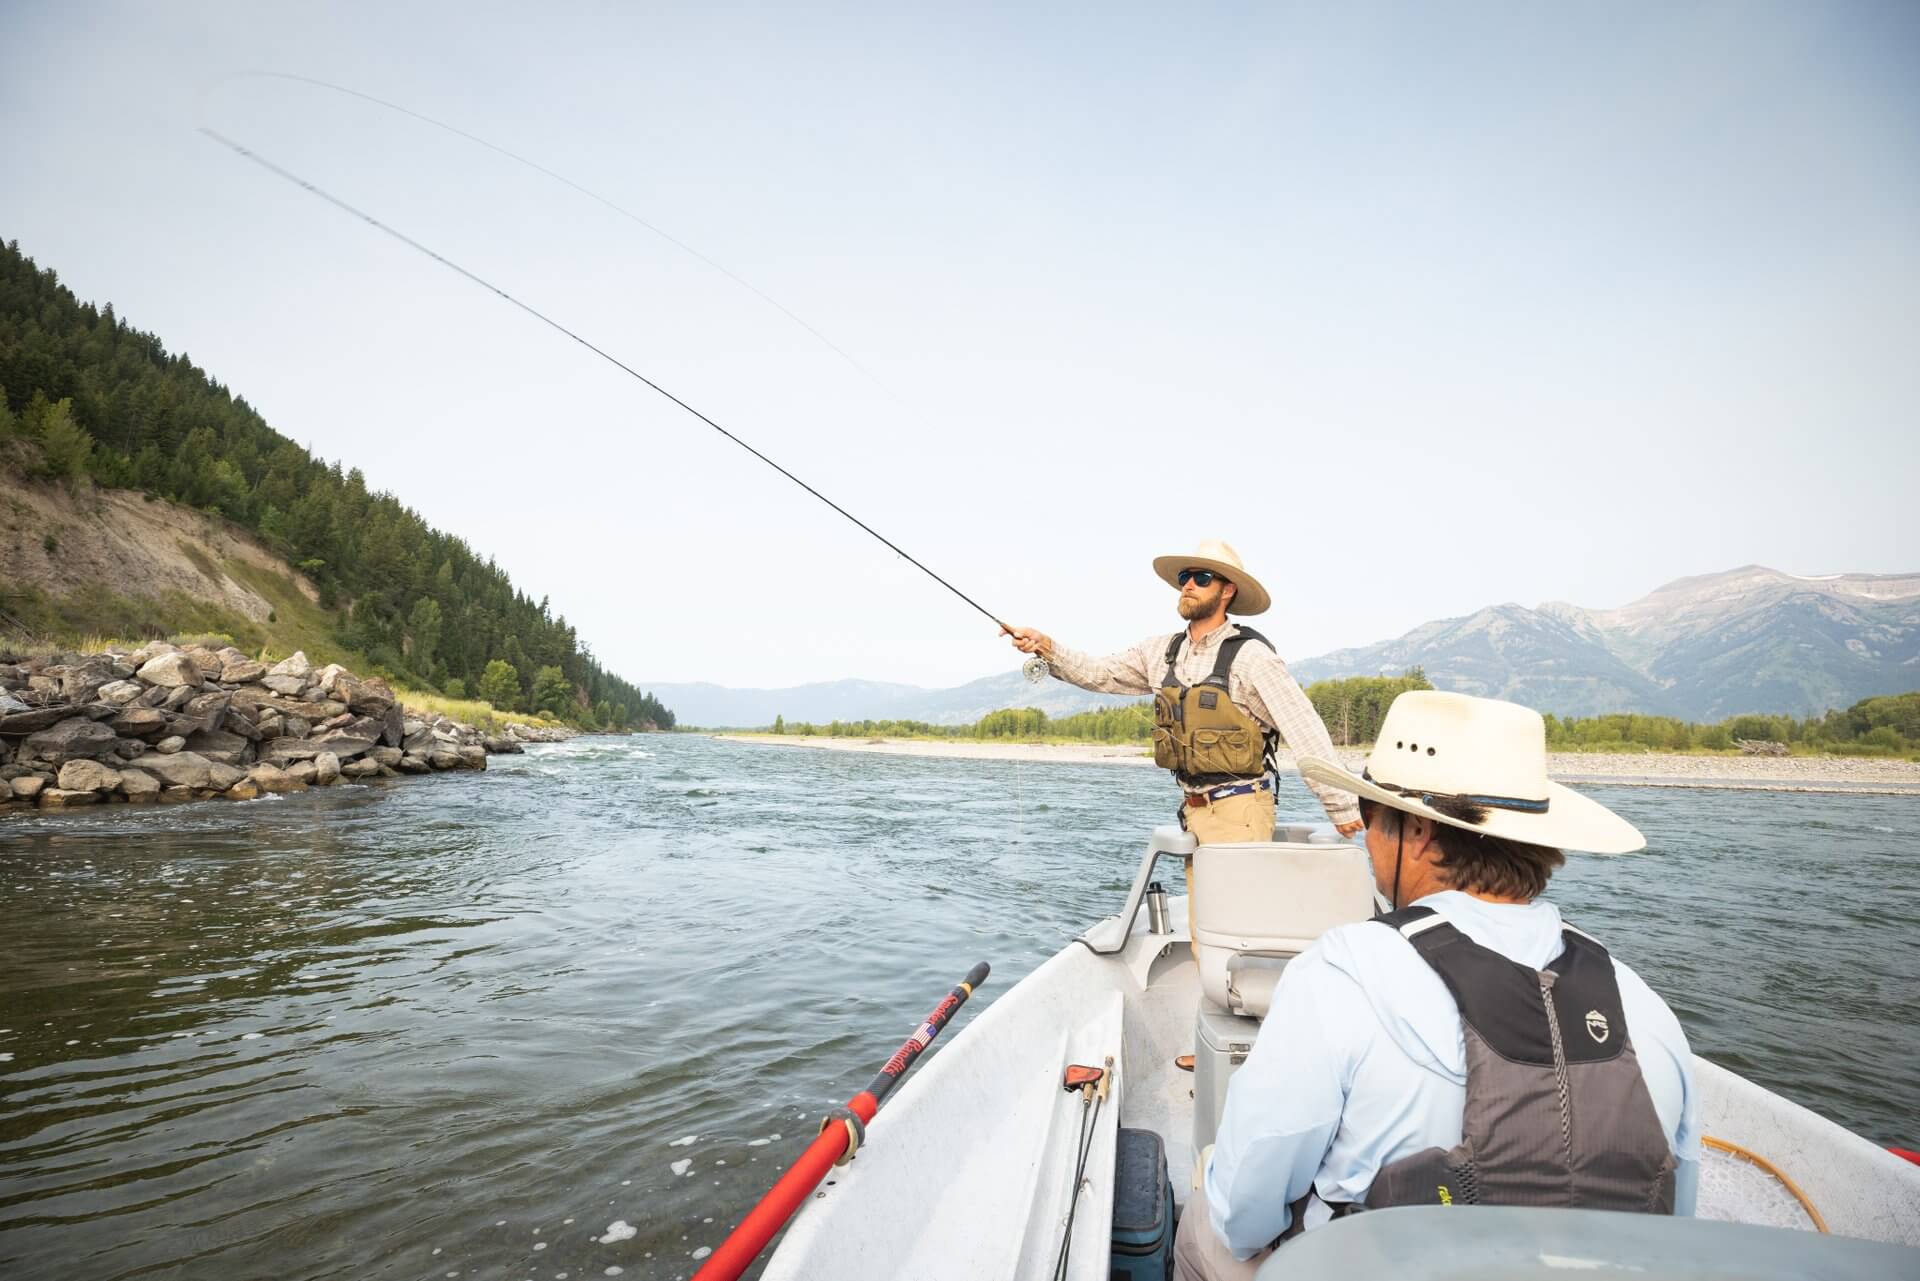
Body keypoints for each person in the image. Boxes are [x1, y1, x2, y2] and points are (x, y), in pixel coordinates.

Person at [1174, 690, 1701, 1281]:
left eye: (1370, 815)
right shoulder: (1641, 1004)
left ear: (1419, 831)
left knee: (1204, 1221)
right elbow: (1676, 1220)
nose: (1365, 837)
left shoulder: (1340, 972)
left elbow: (1243, 1213)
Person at [1001, 539, 1362, 847]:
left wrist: (1341, 806)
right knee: (1204, 910)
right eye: (1184, 577)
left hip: (1242, 811)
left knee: (1229, 909)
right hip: (1192, 810)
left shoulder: (1253, 657)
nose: (1188, 585)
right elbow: (1098, 673)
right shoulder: (1158, 651)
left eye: (1202, 578)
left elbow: (1304, 729)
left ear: (1227, 591)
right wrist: (1045, 646)